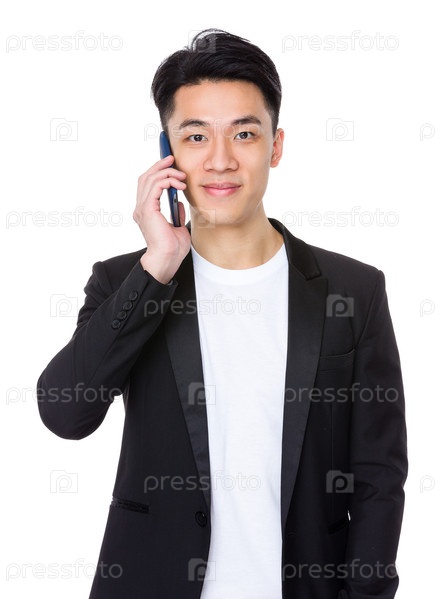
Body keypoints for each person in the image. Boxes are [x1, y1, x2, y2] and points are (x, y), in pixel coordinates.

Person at [37, 28, 408, 599]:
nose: (220, 160)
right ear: (166, 153)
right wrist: (158, 265)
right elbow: (67, 414)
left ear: (275, 147)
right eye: (195, 136)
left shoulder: (354, 290)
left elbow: (379, 476)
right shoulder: (125, 281)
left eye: (244, 133)